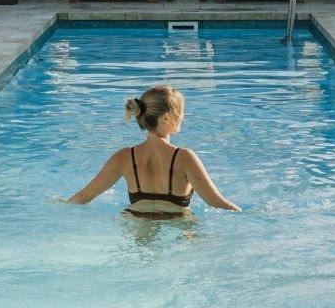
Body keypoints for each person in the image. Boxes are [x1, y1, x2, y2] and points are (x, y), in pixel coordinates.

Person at [67, 84, 240, 216]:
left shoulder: (124, 157)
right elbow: (215, 202)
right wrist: (247, 215)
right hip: (177, 224)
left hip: (134, 221)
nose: (183, 116)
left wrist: (60, 204)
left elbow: (83, 197)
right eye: (180, 112)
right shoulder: (185, 157)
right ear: (166, 118)